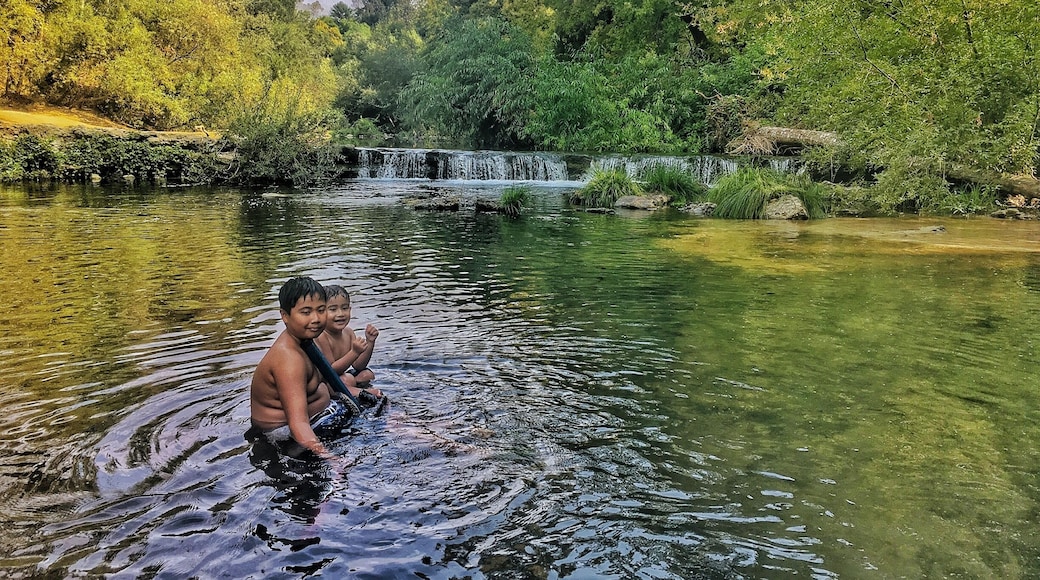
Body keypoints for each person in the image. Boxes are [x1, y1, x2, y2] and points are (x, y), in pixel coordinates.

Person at [248, 276, 354, 457]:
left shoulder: (305, 341)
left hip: (318, 418)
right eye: (306, 312)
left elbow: (327, 381)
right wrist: (332, 460)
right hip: (282, 437)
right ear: (285, 316)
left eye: (321, 310)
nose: (316, 319)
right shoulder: (288, 359)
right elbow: (298, 424)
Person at [316, 284, 382, 401]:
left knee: (367, 374)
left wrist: (370, 342)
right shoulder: (322, 336)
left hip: (343, 377)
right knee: (346, 379)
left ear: (350, 310)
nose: (340, 314)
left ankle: (353, 389)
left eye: (345, 308)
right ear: (321, 312)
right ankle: (362, 392)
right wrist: (354, 352)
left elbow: (359, 365)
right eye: (333, 309)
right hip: (327, 381)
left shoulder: (348, 332)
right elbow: (331, 371)